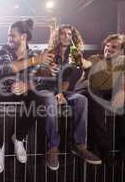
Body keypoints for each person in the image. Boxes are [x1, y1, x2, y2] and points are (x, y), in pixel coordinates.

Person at [0, 18, 62, 173]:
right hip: (4, 89)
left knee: (39, 99)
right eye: (8, 35)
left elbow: (39, 78)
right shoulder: (4, 49)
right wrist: (36, 60)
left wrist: (48, 71)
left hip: (23, 91)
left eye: (12, 35)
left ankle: (19, 137)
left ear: (23, 36)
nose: (9, 38)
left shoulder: (34, 54)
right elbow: (7, 68)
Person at [47, 24, 101, 165]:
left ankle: (79, 145)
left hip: (66, 92)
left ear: (73, 37)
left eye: (69, 34)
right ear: (58, 36)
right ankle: (53, 148)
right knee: (51, 104)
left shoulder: (75, 53)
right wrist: (58, 93)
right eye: (63, 33)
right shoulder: (50, 53)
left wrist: (80, 61)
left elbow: (87, 67)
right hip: (50, 90)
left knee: (82, 99)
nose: (66, 36)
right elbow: (49, 77)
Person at [78, 34, 125, 163]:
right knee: (95, 94)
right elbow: (85, 63)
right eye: (107, 46)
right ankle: (104, 147)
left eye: (114, 47)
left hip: (105, 92)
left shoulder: (123, 61)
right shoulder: (96, 58)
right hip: (86, 91)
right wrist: (79, 60)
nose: (108, 48)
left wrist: (122, 92)